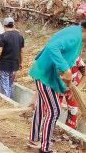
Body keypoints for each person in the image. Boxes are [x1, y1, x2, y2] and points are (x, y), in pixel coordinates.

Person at [28, 22, 86, 153]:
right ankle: (45, 148)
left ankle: (34, 138)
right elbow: (52, 46)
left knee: (41, 109)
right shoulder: (75, 36)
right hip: (46, 77)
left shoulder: (74, 31)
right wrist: (65, 68)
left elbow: (52, 43)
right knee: (54, 112)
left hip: (43, 74)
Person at [0, 17, 24, 98]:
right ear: (13, 25)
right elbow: (21, 51)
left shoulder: (2, 37)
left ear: (4, 25)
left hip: (4, 66)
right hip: (15, 66)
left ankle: (6, 102)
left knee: (4, 86)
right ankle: (11, 101)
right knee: (10, 85)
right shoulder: (20, 37)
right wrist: (21, 62)